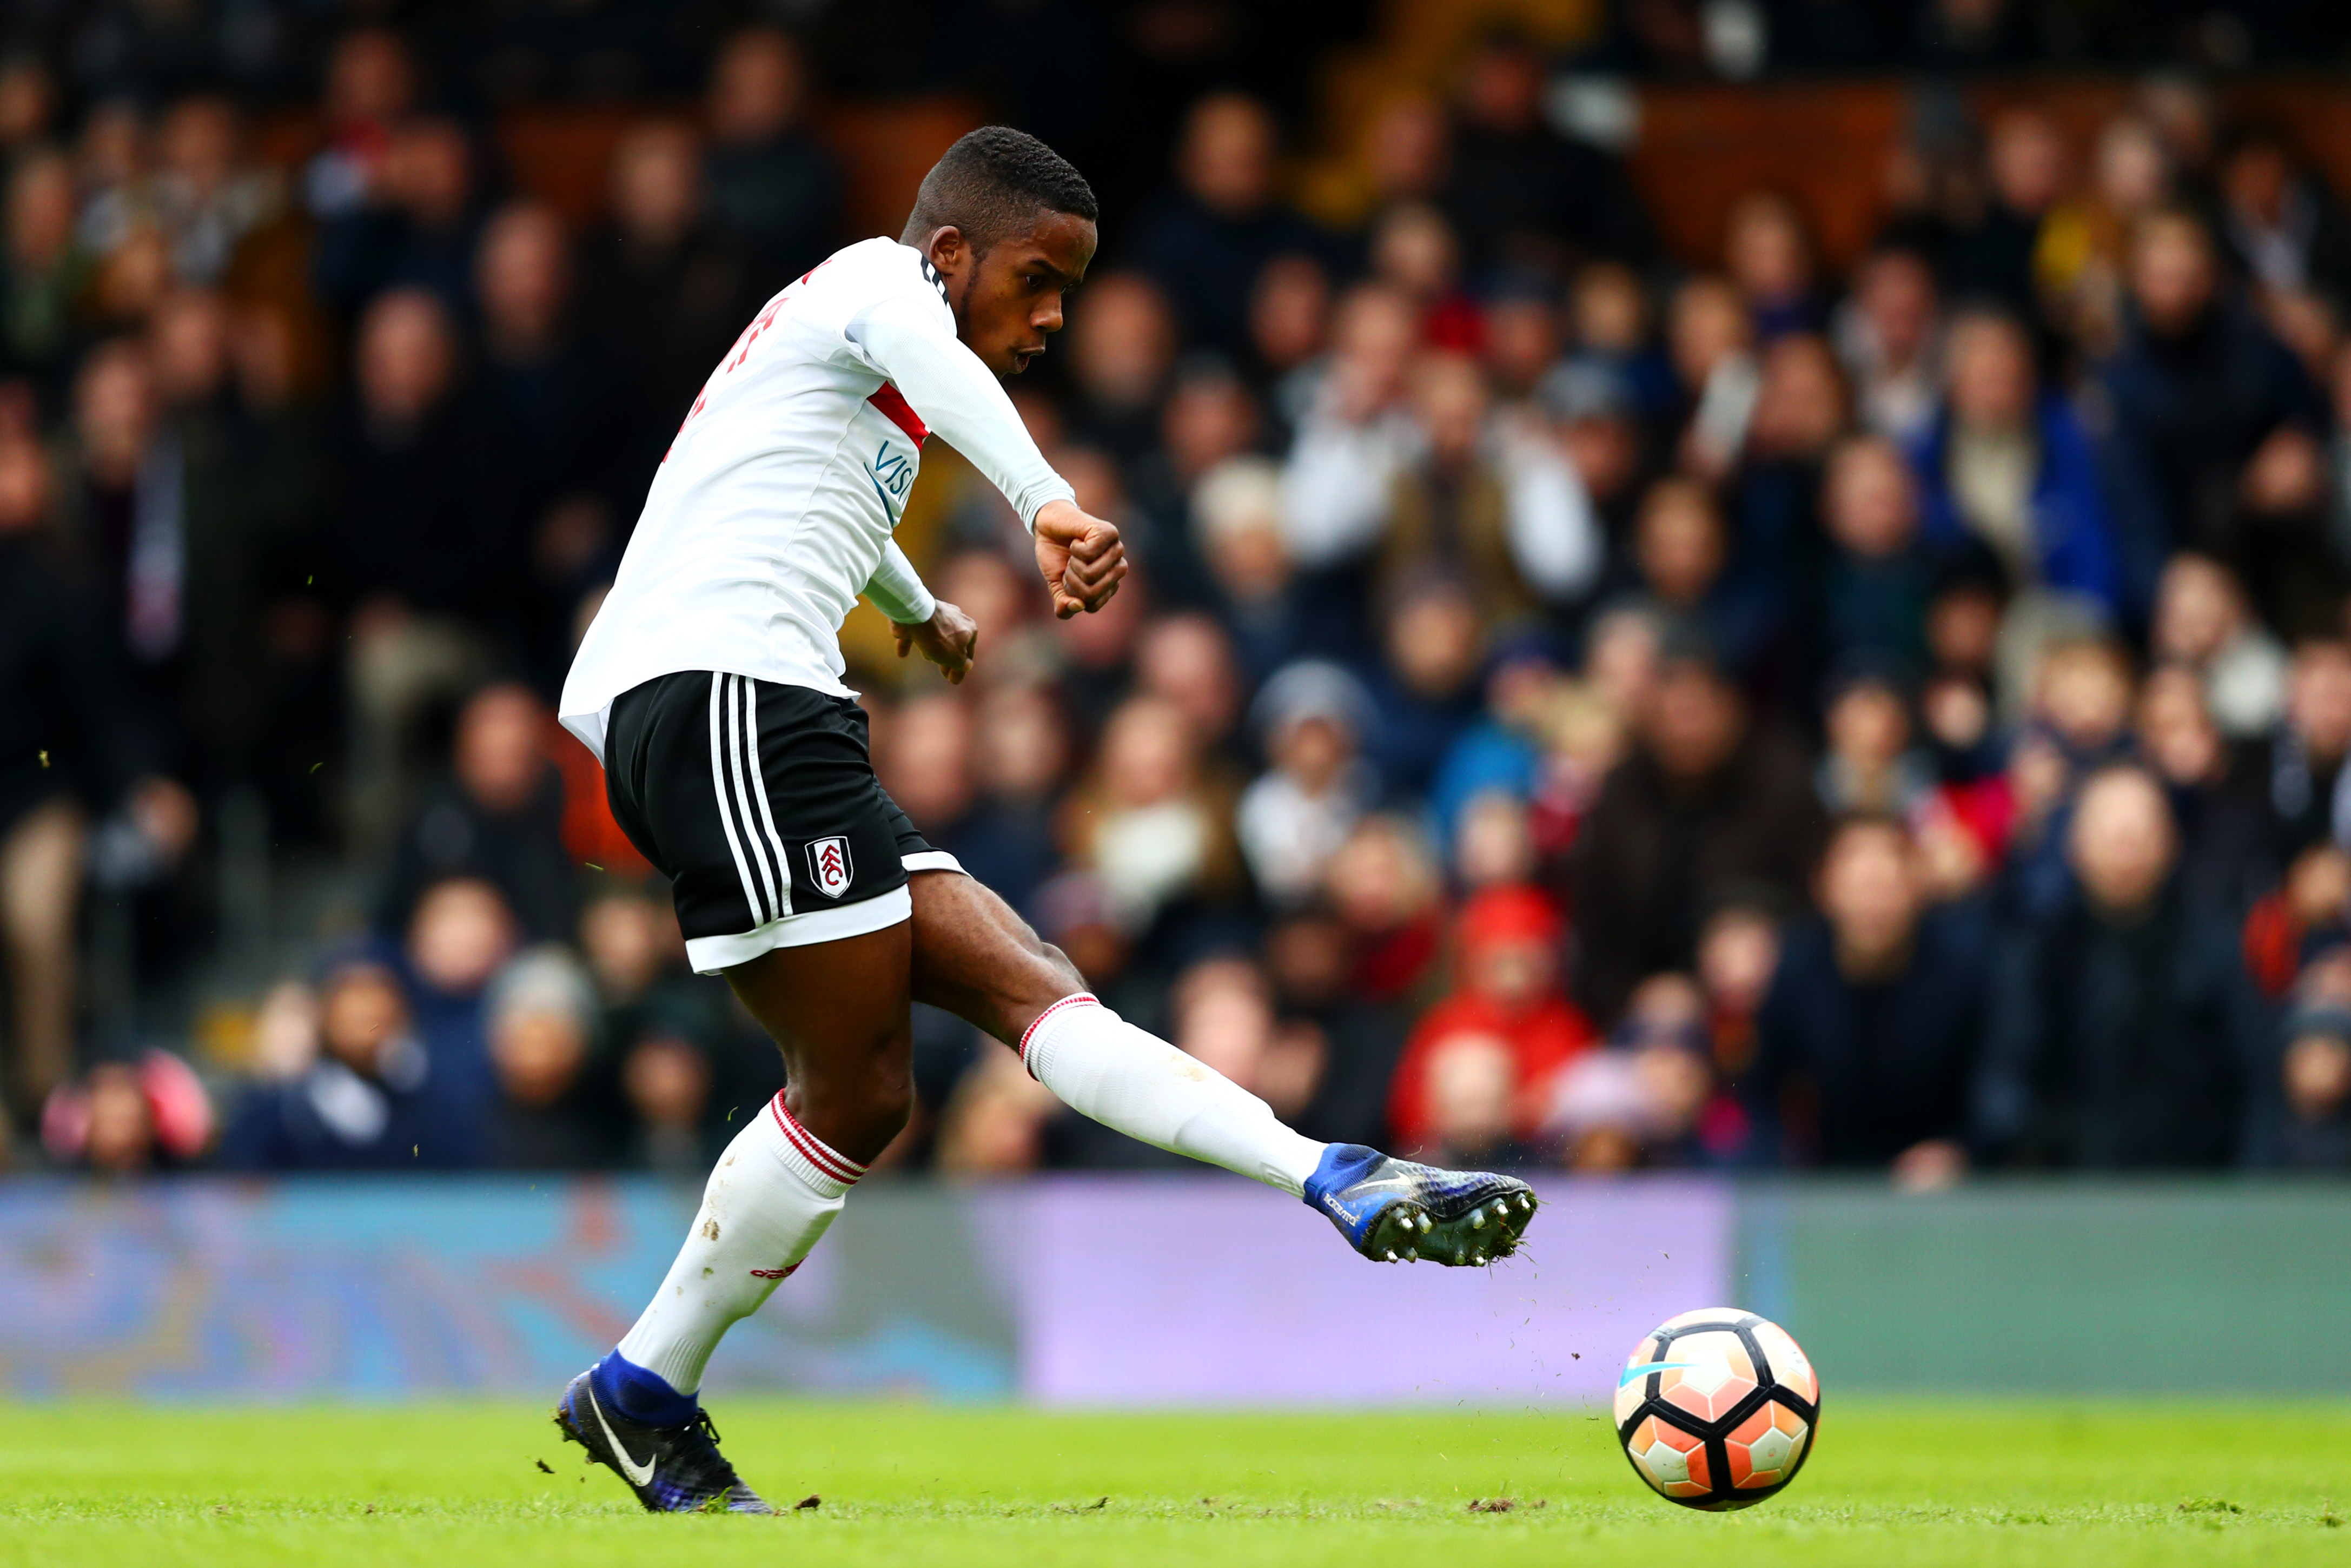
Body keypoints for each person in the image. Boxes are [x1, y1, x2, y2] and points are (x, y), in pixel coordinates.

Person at [550, 128, 1537, 1512]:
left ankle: (1333, 1175)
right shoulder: (879, 284)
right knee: (861, 1087)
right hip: (724, 700)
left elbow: (814, 490)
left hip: (765, 710)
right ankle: (645, 1388)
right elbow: (940, 374)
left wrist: (919, 610)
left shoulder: (854, 354)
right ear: (951, 253)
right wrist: (1050, 505)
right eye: (1038, 278)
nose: (1055, 314)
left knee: (1037, 992)